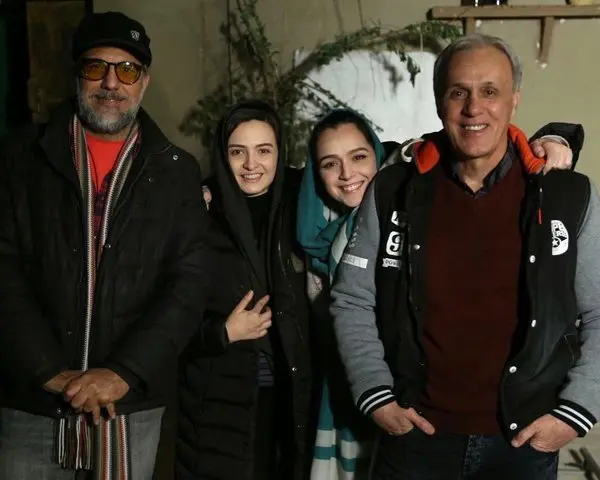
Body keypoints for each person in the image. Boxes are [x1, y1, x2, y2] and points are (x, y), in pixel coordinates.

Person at [329, 33, 600, 480]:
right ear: (440, 101)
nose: (474, 108)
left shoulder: (568, 196)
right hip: (414, 439)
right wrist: (375, 395)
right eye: (459, 92)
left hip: (523, 446)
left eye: (490, 91)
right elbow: (352, 300)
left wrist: (575, 413)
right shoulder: (393, 188)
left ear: (514, 99)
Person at [0, 11, 218, 480]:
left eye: (128, 70)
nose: (111, 83)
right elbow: (4, 272)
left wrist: (122, 372)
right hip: (32, 402)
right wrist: (49, 372)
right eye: (97, 67)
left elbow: (189, 284)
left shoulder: (175, 171)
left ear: (144, 81)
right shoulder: (19, 159)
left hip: (130, 405)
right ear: (77, 74)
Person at [176, 99, 314, 480]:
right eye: (238, 152)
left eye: (264, 150)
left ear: (280, 153)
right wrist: (223, 332)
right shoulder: (196, 213)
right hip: (219, 395)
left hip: (291, 391)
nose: (252, 164)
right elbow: (166, 317)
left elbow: (357, 163)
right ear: (224, 156)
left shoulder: (301, 202)